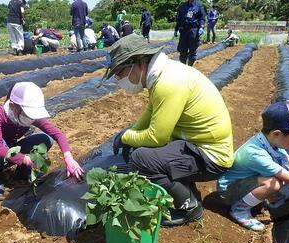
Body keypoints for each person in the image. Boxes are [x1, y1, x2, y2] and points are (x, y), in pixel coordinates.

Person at [100, 35, 234, 226]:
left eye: (119, 73)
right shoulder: (162, 74)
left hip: (211, 157)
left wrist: (128, 137)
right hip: (196, 145)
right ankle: (186, 189)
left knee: (141, 158)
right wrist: (129, 133)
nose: (118, 79)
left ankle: (190, 207)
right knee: (142, 150)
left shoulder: (168, 82)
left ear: (137, 62)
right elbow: (150, 111)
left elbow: (157, 137)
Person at [0, 82, 84, 199]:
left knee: (45, 139)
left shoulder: (29, 116)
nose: (31, 119)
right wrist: (22, 158)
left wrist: (69, 158)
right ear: (12, 106)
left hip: (11, 148)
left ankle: (21, 173)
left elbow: (57, 134)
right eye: (28, 115)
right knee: (0, 145)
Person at [218, 101, 289, 231]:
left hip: (243, 181)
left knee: (275, 178)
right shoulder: (256, 154)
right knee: (274, 183)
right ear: (276, 133)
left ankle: (253, 197)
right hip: (228, 191)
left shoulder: (273, 143)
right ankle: (239, 210)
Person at [174, 0, 205, 66]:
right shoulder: (182, 6)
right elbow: (179, 19)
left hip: (193, 30)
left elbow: (202, 18)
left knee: (192, 51)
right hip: (183, 31)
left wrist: (201, 27)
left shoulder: (199, 5)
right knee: (182, 51)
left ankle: (190, 67)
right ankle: (183, 67)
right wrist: (176, 29)